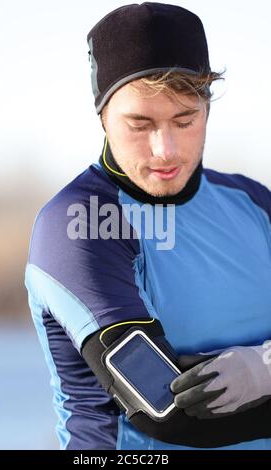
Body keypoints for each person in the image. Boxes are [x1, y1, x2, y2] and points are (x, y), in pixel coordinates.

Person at [25, 2, 271, 450]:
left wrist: (265, 367)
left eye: (185, 119)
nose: (165, 150)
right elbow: (166, 410)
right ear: (102, 115)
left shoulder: (254, 203)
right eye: (140, 124)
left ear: (208, 109)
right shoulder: (79, 224)